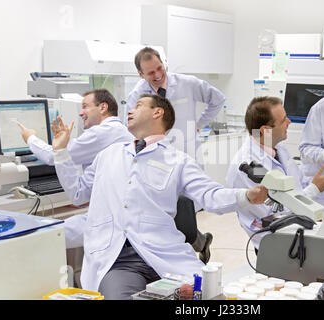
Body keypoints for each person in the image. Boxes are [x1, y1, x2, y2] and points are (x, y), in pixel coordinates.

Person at [52, 94, 268, 299]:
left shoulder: (177, 161)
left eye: (138, 106)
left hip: (166, 253)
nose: (130, 110)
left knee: (212, 293)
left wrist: (245, 196)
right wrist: (61, 153)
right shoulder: (108, 155)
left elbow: (209, 194)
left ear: (157, 113)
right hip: (118, 260)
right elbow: (78, 193)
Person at [226, 96, 324, 252]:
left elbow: (300, 183)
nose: (289, 122)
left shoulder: (278, 148)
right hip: (274, 241)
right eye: (283, 119)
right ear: (266, 130)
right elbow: (275, 214)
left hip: (297, 229)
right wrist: (314, 189)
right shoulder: (248, 168)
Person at [125, 47, 225, 161]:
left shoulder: (187, 83)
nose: (157, 75)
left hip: (188, 152)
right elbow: (130, 128)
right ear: (141, 74)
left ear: (163, 63)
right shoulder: (136, 95)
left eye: (159, 68)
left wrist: (199, 124)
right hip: (155, 157)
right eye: (151, 73)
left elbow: (218, 99)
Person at [18, 89, 134, 168]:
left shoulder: (99, 133)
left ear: (103, 107)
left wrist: (30, 138)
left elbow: (53, 156)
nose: (80, 113)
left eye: (85, 107)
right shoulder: (122, 130)